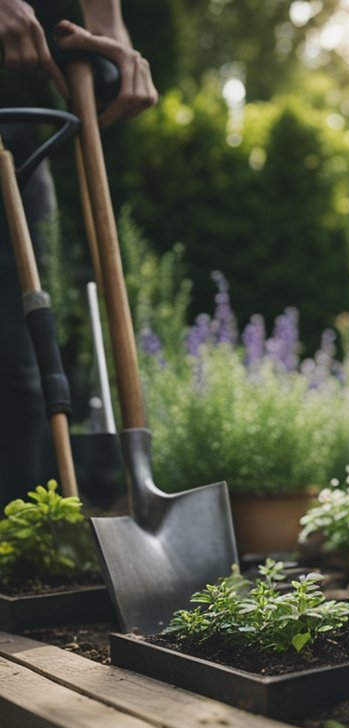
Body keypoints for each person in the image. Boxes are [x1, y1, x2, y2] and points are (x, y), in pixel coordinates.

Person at [0, 0, 156, 505]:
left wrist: (112, 35)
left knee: (20, 384)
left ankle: (21, 567)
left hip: (12, 131)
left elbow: (101, 23)